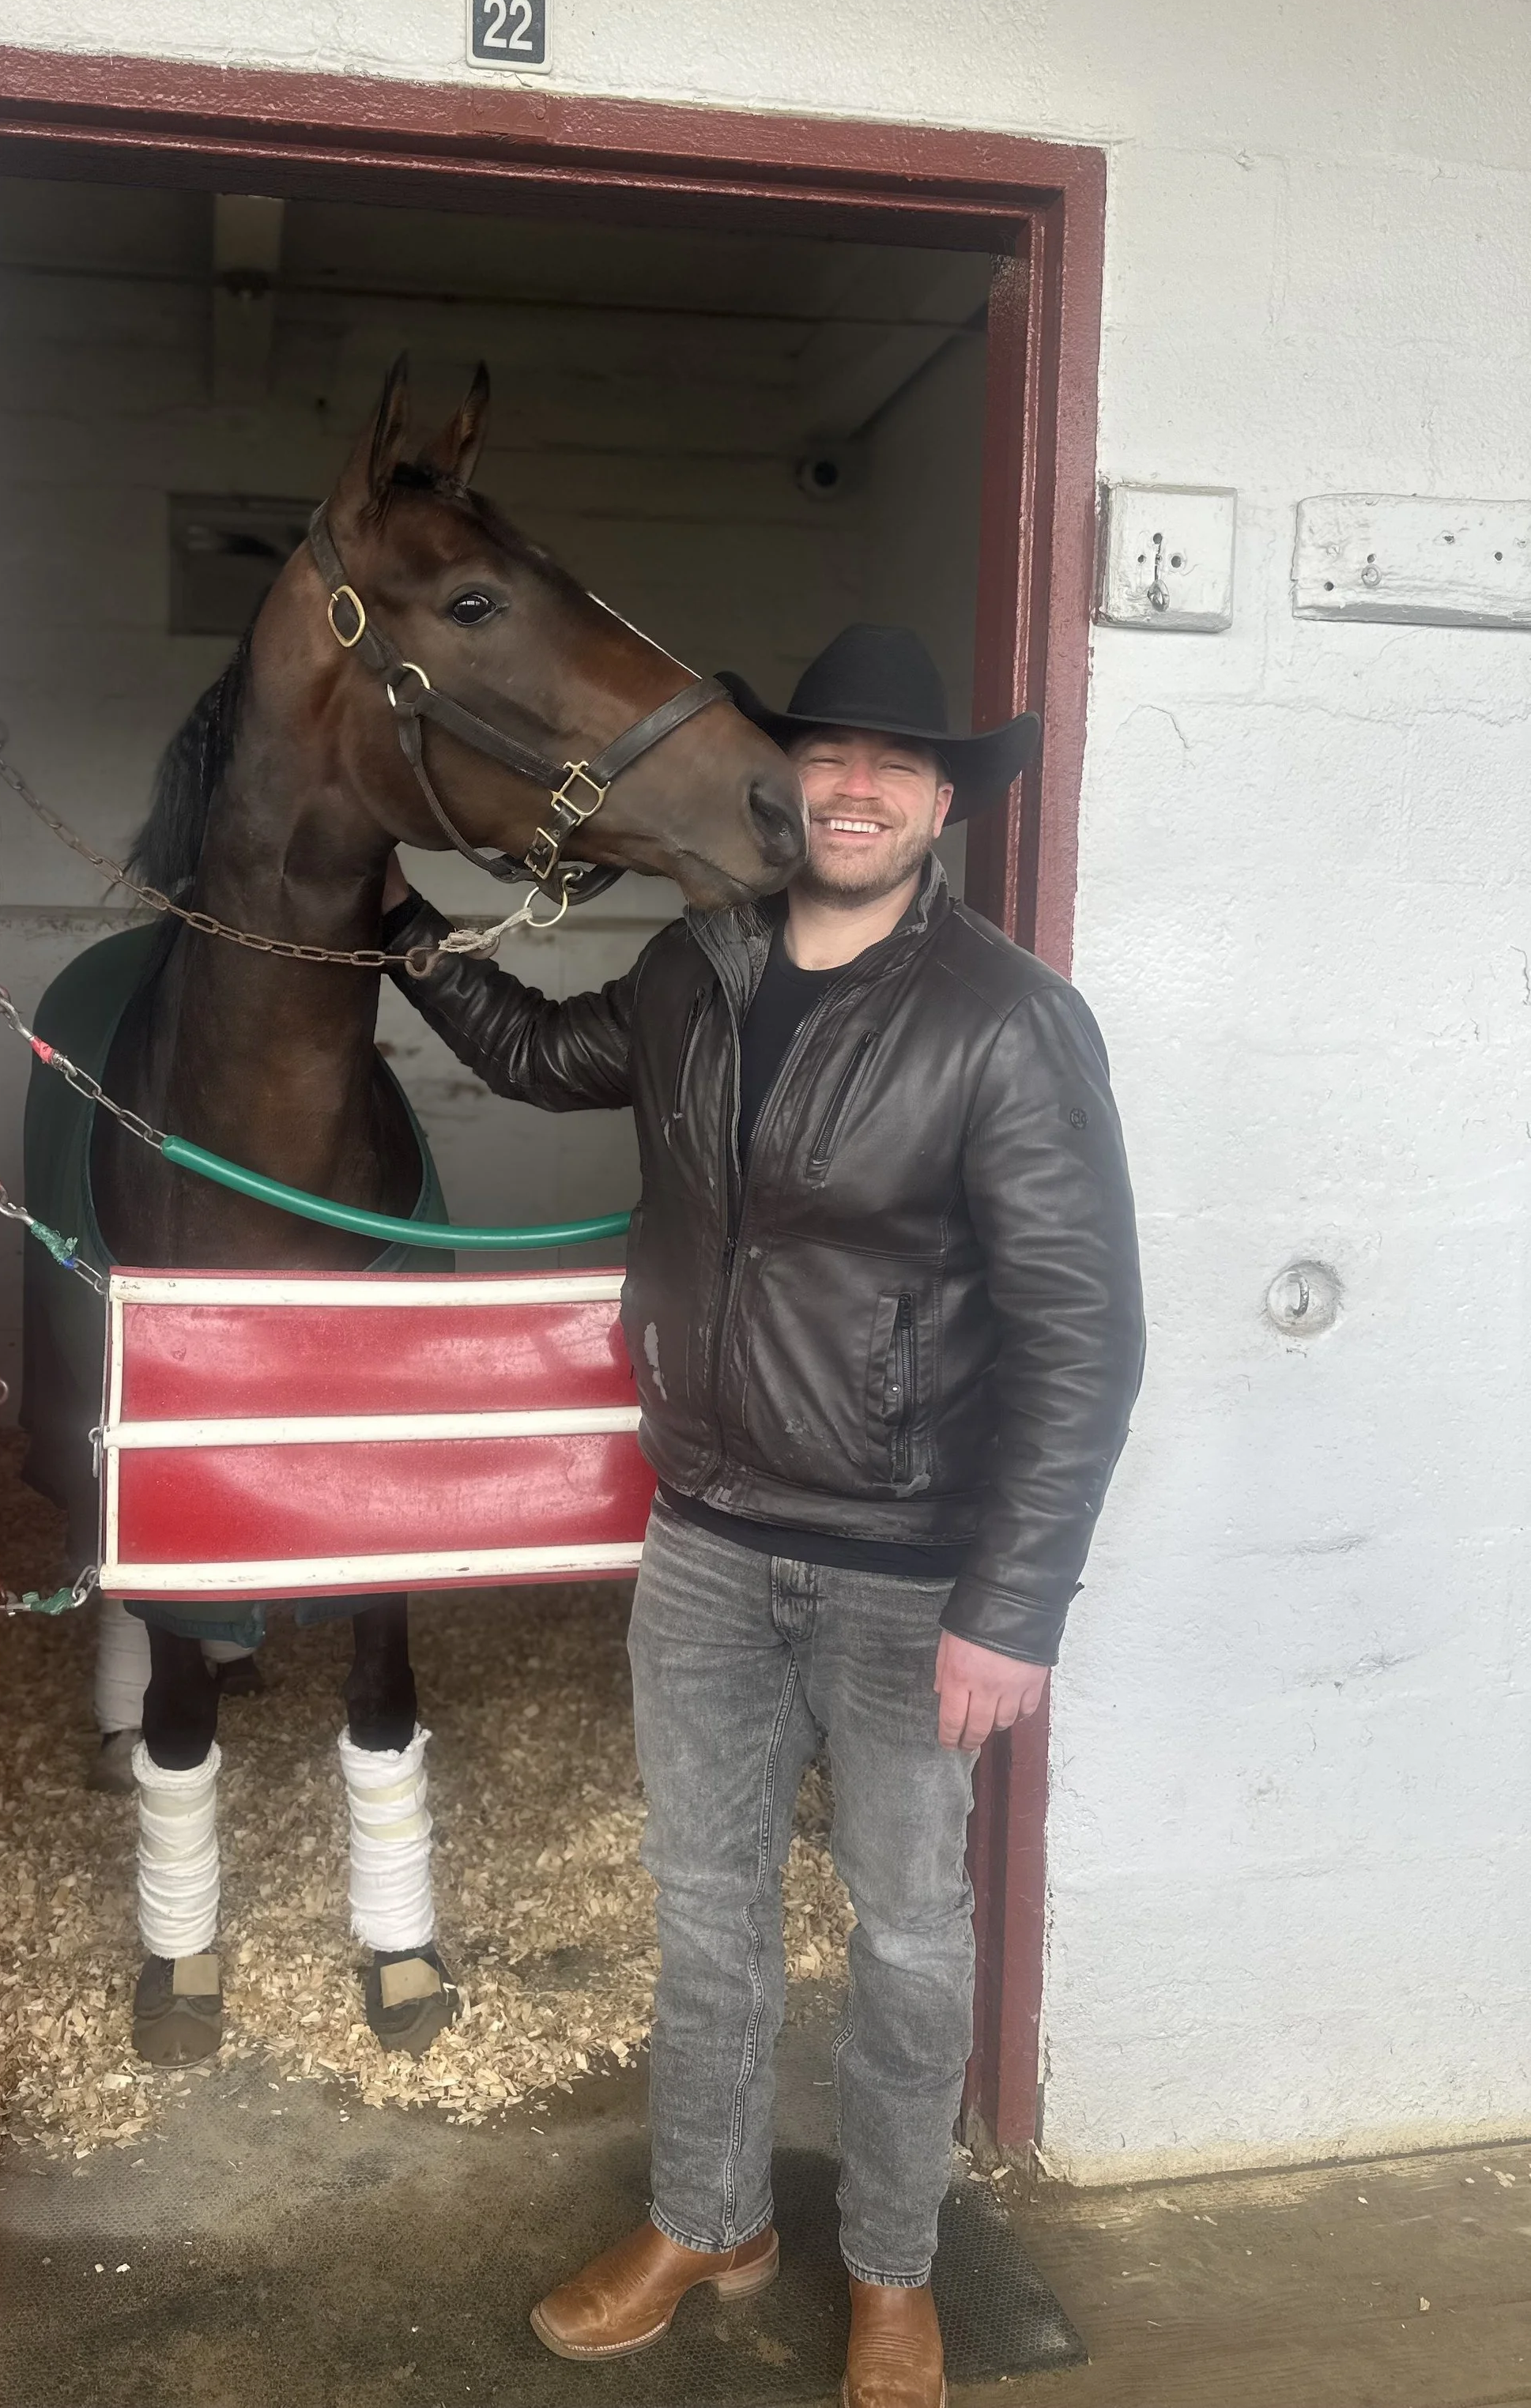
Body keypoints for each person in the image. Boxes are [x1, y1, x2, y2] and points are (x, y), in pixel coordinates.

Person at [379, 624, 1144, 2408]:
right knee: (705, 1909)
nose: (856, 788)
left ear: (943, 803)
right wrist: (399, 923)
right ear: (787, 779)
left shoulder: (1006, 1021)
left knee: (907, 1939)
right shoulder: (695, 965)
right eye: (829, 755)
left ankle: (892, 2268)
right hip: (708, 1546)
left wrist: (1012, 1605)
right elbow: (541, 1054)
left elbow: (1083, 1334)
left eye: (898, 765)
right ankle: (708, 2222)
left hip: (908, 1576)